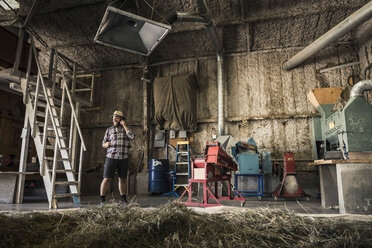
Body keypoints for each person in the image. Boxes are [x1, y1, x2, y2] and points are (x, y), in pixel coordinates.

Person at [100, 110, 135, 206]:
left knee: (122, 179)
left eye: (117, 117)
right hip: (111, 157)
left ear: (121, 119)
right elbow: (103, 143)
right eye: (114, 117)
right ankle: (102, 200)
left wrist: (125, 126)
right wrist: (105, 144)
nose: (114, 119)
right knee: (106, 178)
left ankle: (124, 200)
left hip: (123, 158)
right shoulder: (109, 130)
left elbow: (132, 137)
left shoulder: (126, 129)